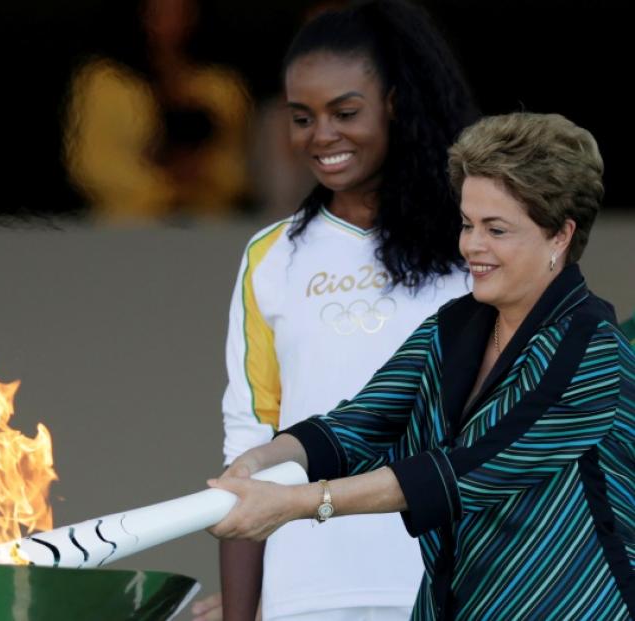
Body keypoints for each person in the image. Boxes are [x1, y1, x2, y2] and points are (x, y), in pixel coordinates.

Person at [209, 112, 634, 620]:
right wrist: (260, 462)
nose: (471, 247)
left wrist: (297, 503)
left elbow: (463, 474)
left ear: (560, 236)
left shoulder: (592, 350)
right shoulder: (456, 326)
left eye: (496, 229)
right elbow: (358, 424)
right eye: (467, 224)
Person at [205, 2, 479, 620]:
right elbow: (250, 439)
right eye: (302, 118)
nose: (320, 136)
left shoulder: (475, 240)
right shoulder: (271, 257)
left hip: (458, 587)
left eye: (345, 112)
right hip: (306, 595)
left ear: (399, 103)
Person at [63, 0, 250, 220]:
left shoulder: (222, 88)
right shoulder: (103, 82)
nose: (170, 23)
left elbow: (239, 166)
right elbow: (90, 164)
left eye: (180, 12)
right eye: (158, 12)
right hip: (126, 228)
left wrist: (204, 174)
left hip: (206, 226)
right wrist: (165, 184)